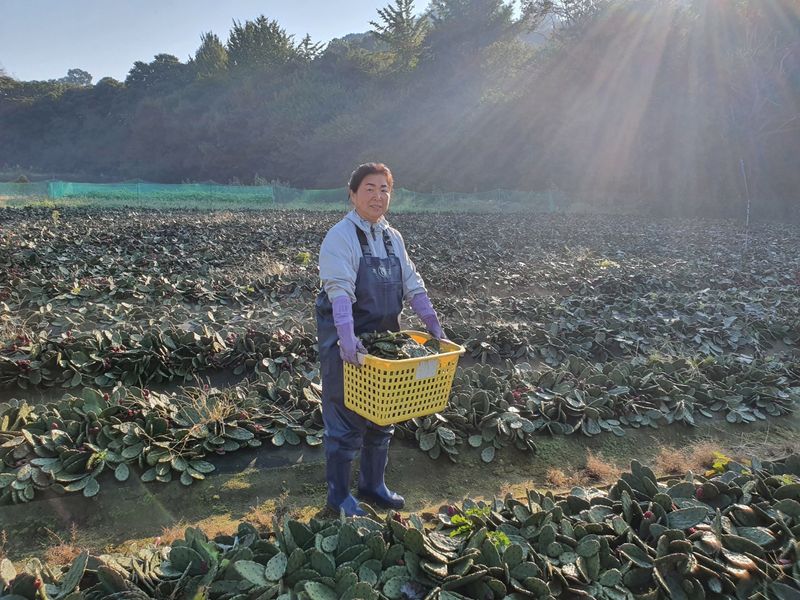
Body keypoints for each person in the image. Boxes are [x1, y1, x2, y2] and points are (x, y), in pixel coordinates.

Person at [316, 162, 446, 517]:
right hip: (347, 346)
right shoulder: (340, 237)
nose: (378, 196)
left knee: (382, 416)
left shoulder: (392, 237)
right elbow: (339, 291)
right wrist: (347, 338)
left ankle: (373, 485)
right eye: (369, 189)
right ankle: (338, 497)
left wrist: (431, 321)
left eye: (384, 189)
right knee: (344, 421)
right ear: (353, 194)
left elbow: (412, 283)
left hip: (384, 345)